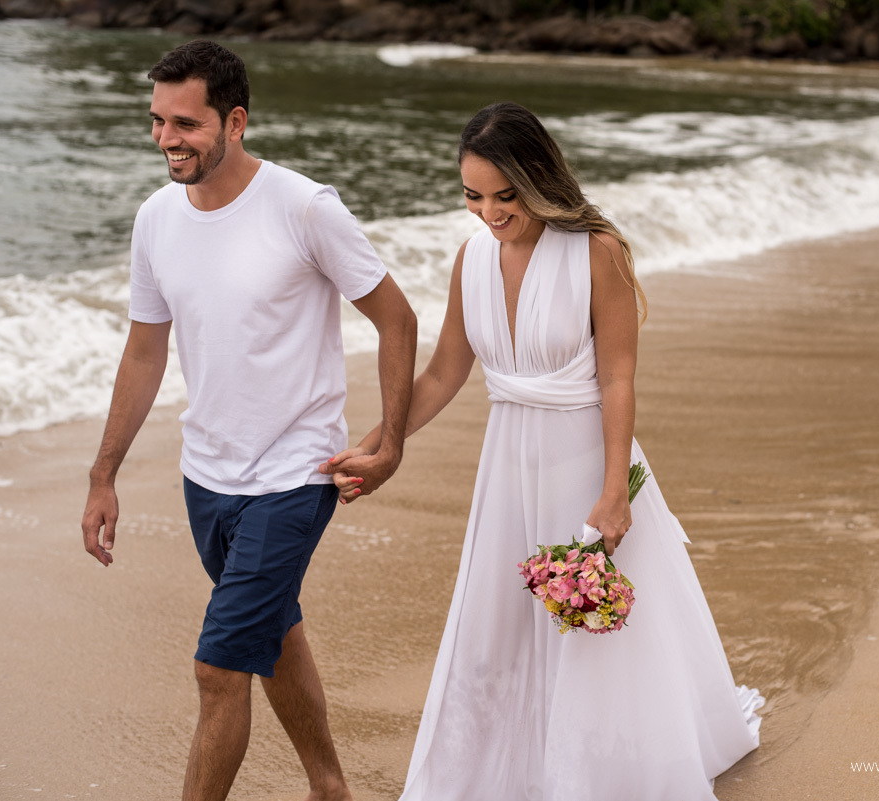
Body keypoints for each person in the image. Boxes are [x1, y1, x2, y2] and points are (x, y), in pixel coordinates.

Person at [324, 102, 763, 800]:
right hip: (508, 467)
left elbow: (618, 377)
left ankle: (597, 775)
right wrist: (383, 443)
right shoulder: (471, 258)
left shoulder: (597, 252)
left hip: (585, 459)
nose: (490, 212)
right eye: (473, 195)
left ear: (538, 179)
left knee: (591, 626)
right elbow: (444, 372)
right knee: (503, 621)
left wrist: (615, 489)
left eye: (505, 196)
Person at [80, 40, 416, 801]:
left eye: (187, 124)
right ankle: (330, 785)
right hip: (207, 476)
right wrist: (103, 474)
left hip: (296, 474)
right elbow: (143, 352)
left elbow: (395, 318)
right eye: (158, 122)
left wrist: (389, 440)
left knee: (219, 665)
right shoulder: (157, 218)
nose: (167, 140)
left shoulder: (304, 207)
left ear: (235, 121)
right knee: (273, 629)